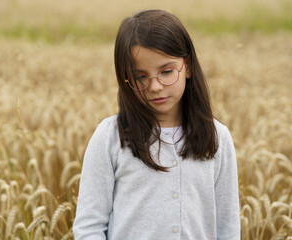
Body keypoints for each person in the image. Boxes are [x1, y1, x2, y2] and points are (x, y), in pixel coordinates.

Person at [73, 9, 240, 240]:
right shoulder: (110, 137)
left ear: (188, 66)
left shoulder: (217, 137)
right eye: (140, 76)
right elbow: (88, 227)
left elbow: (227, 228)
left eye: (167, 71)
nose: (155, 86)